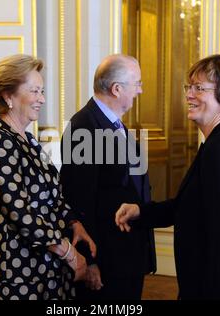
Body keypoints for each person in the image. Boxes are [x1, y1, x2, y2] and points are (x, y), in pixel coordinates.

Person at [115, 54, 220, 300]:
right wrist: (141, 212)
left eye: (200, 88)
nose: (189, 94)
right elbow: (188, 207)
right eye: (190, 87)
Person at [0, 54, 96, 300]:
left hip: (47, 264)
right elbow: (21, 214)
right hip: (14, 266)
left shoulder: (28, 140)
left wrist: (74, 223)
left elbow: (52, 195)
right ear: (8, 96)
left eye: (42, 91)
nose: (42, 99)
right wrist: (71, 255)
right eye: (35, 91)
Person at [60, 54, 156, 300]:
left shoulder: (115, 124)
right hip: (107, 260)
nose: (140, 90)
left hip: (127, 255)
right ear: (116, 89)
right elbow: (78, 200)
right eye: (137, 83)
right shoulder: (84, 127)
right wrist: (90, 261)